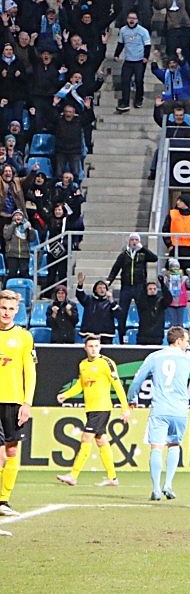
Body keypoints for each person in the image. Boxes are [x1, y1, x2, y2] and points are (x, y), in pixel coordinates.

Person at [128, 327, 190, 501]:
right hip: (180, 410)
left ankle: (156, 489)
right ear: (178, 341)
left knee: (156, 447)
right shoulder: (187, 357)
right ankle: (168, 484)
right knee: (174, 445)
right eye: (186, 340)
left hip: (160, 409)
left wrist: (133, 398)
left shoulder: (154, 357)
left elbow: (137, 379)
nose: (188, 344)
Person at [55, 336, 130, 487]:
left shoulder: (106, 363)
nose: (94, 349)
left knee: (86, 438)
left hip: (101, 408)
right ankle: (112, 478)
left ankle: (73, 475)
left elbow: (118, 386)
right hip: (90, 408)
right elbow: (80, 385)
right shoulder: (83, 365)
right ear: (85, 348)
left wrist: (125, 407)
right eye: (91, 346)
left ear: (100, 347)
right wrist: (66, 394)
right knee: (101, 440)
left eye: (96, 346)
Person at [0, 289, 36, 517]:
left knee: (12, 451)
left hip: (13, 401)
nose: (6, 312)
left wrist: (27, 403)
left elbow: (30, 371)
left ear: (17, 310)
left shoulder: (24, 336)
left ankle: (3, 500)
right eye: (3, 307)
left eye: (11, 308)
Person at [107, 233, 158, 322]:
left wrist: (143, 249)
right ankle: (121, 334)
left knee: (142, 312)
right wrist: (109, 280)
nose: (134, 242)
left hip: (140, 287)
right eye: (132, 240)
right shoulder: (124, 255)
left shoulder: (143, 254)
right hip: (126, 287)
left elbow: (154, 258)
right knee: (122, 312)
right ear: (129, 241)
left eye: (136, 240)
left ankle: (142, 333)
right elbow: (116, 268)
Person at [114, 12, 152, 111]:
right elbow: (120, 43)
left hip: (139, 60)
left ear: (137, 20)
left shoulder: (143, 31)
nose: (131, 20)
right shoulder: (123, 30)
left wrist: (146, 57)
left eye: (134, 18)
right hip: (128, 60)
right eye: (130, 18)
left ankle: (139, 99)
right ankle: (125, 102)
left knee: (139, 81)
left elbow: (147, 45)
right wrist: (116, 54)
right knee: (125, 81)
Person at [75, 273, 122, 344]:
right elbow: (80, 295)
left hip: (106, 335)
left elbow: (119, 314)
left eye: (104, 288)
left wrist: (111, 301)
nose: (102, 290)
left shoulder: (110, 302)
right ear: (95, 290)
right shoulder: (89, 299)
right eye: (100, 288)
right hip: (90, 334)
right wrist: (80, 283)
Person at [135, 278, 172, 345]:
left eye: (154, 289)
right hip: (143, 337)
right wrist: (143, 286)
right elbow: (140, 299)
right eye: (150, 289)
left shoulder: (161, 302)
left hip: (157, 337)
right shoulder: (142, 302)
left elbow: (169, 298)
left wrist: (163, 285)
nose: (152, 290)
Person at [3, 210, 37, 278]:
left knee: (24, 273)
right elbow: (6, 236)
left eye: (20, 215)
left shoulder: (26, 227)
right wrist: (14, 225)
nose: (18, 217)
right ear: (13, 217)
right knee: (12, 274)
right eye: (16, 215)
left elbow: (32, 239)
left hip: (24, 254)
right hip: (12, 253)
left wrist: (30, 229)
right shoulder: (7, 226)